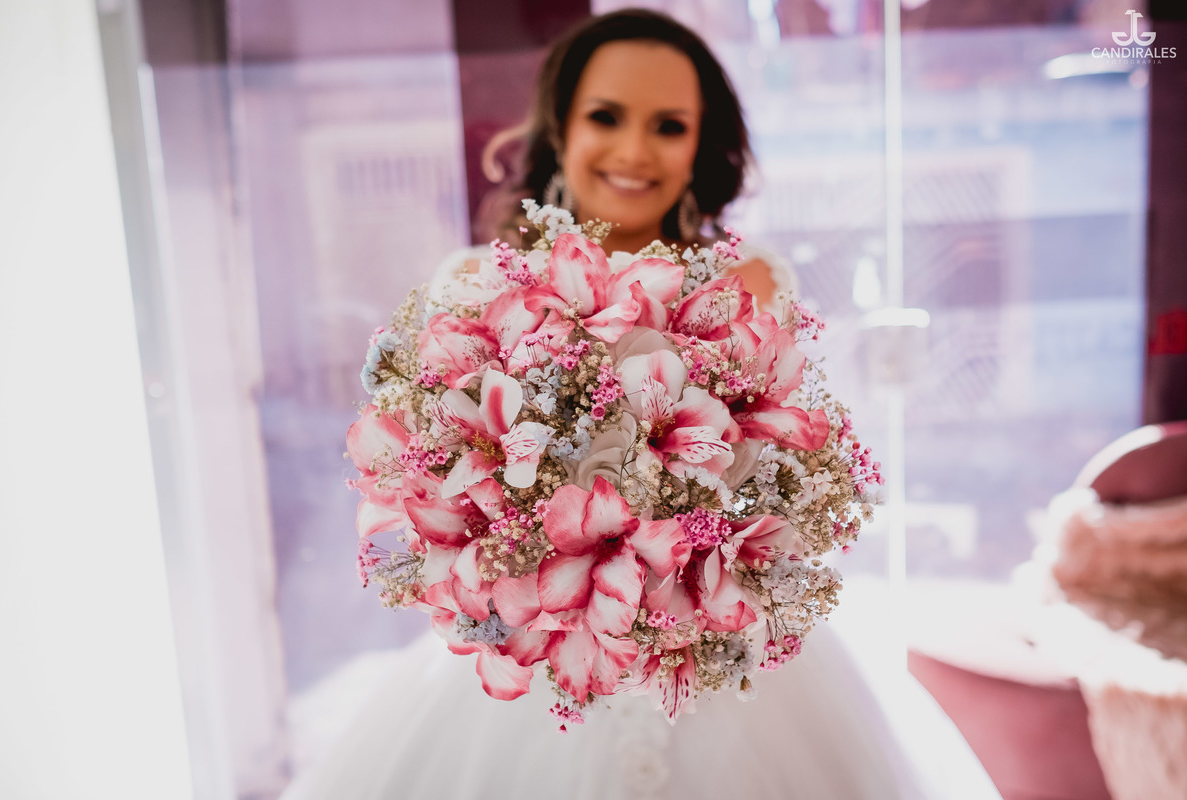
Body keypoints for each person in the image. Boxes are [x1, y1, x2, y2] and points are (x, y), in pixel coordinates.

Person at [284, 9, 1002, 799]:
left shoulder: (746, 283)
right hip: (537, 645)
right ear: (560, 128)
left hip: (712, 644)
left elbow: (783, 479)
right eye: (606, 117)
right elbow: (435, 475)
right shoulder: (478, 284)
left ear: (702, 145)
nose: (633, 151)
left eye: (668, 126)